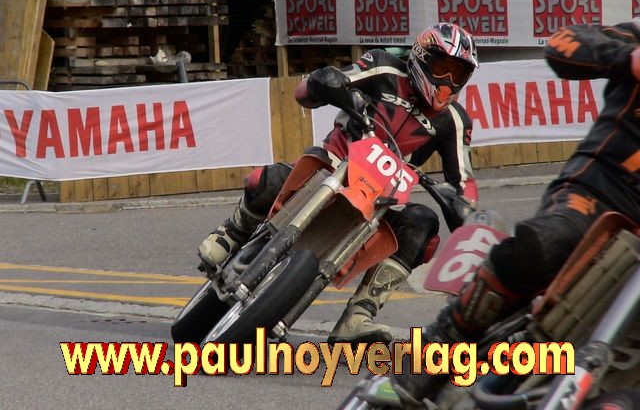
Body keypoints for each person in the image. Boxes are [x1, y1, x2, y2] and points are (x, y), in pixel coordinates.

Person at [388, 20, 640, 405]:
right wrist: (627, 57)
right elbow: (563, 43)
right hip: (600, 193)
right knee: (542, 245)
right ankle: (442, 345)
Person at [198, 22, 480, 345]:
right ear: (422, 56)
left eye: (458, 74)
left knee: (423, 225)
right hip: (333, 164)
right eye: (443, 68)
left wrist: (466, 211)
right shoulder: (383, 66)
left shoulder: (455, 120)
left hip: (380, 201)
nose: (448, 81)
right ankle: (231, 234)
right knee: (267, 179)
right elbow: (309, 90)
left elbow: (465, 182)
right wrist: (325, 82)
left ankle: (359, 314)